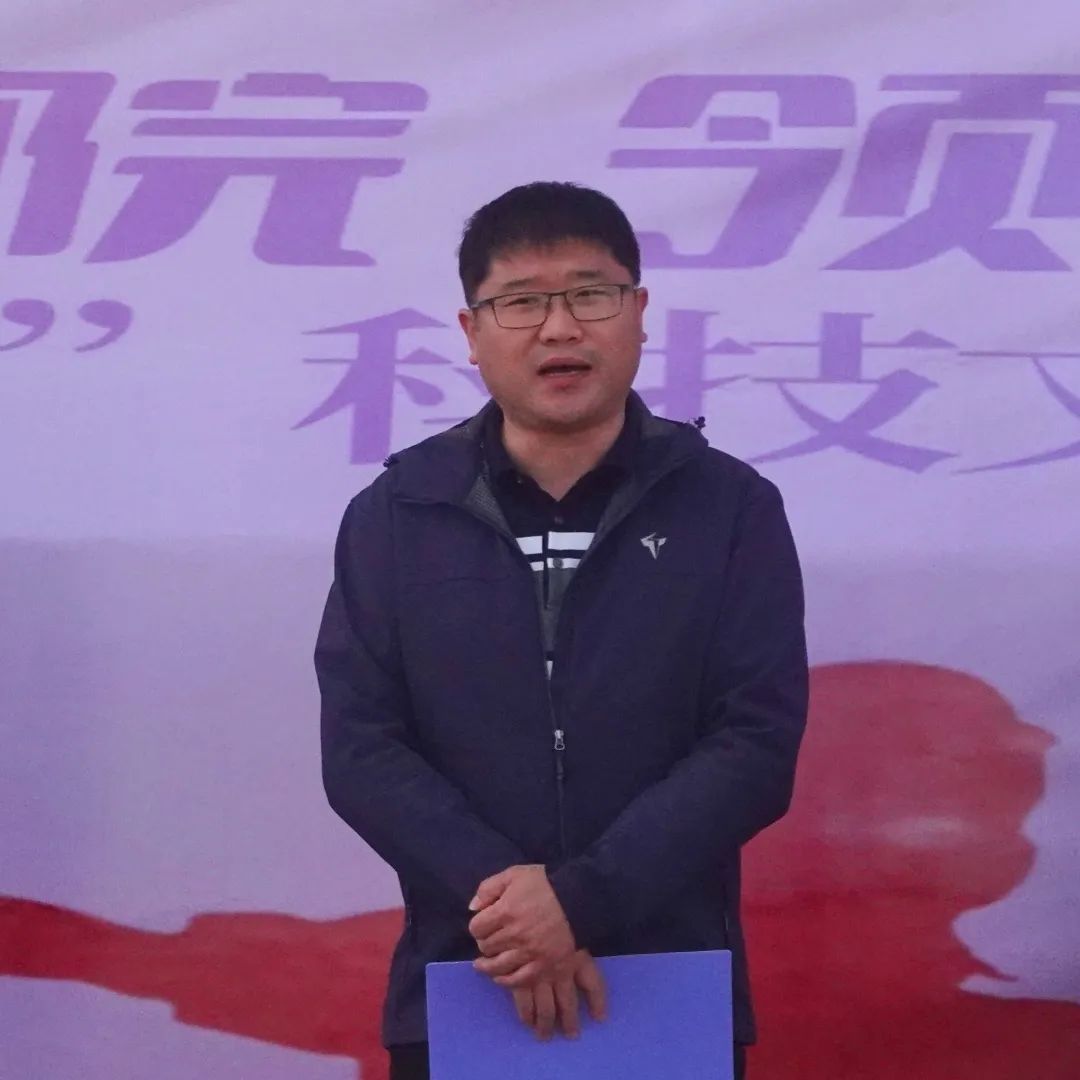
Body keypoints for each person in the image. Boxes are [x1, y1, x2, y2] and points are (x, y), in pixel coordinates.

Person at [315, 180, 809, 1080]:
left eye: (591, 294)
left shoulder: (729, 507)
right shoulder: (397, 514)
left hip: (669, 978)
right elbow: (362, 749)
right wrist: (515, 914)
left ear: (639, 313)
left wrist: (581, 901)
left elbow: (756, 741)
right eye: (521, 302)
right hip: (468, 976)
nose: (559, 327)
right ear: (471, 332)